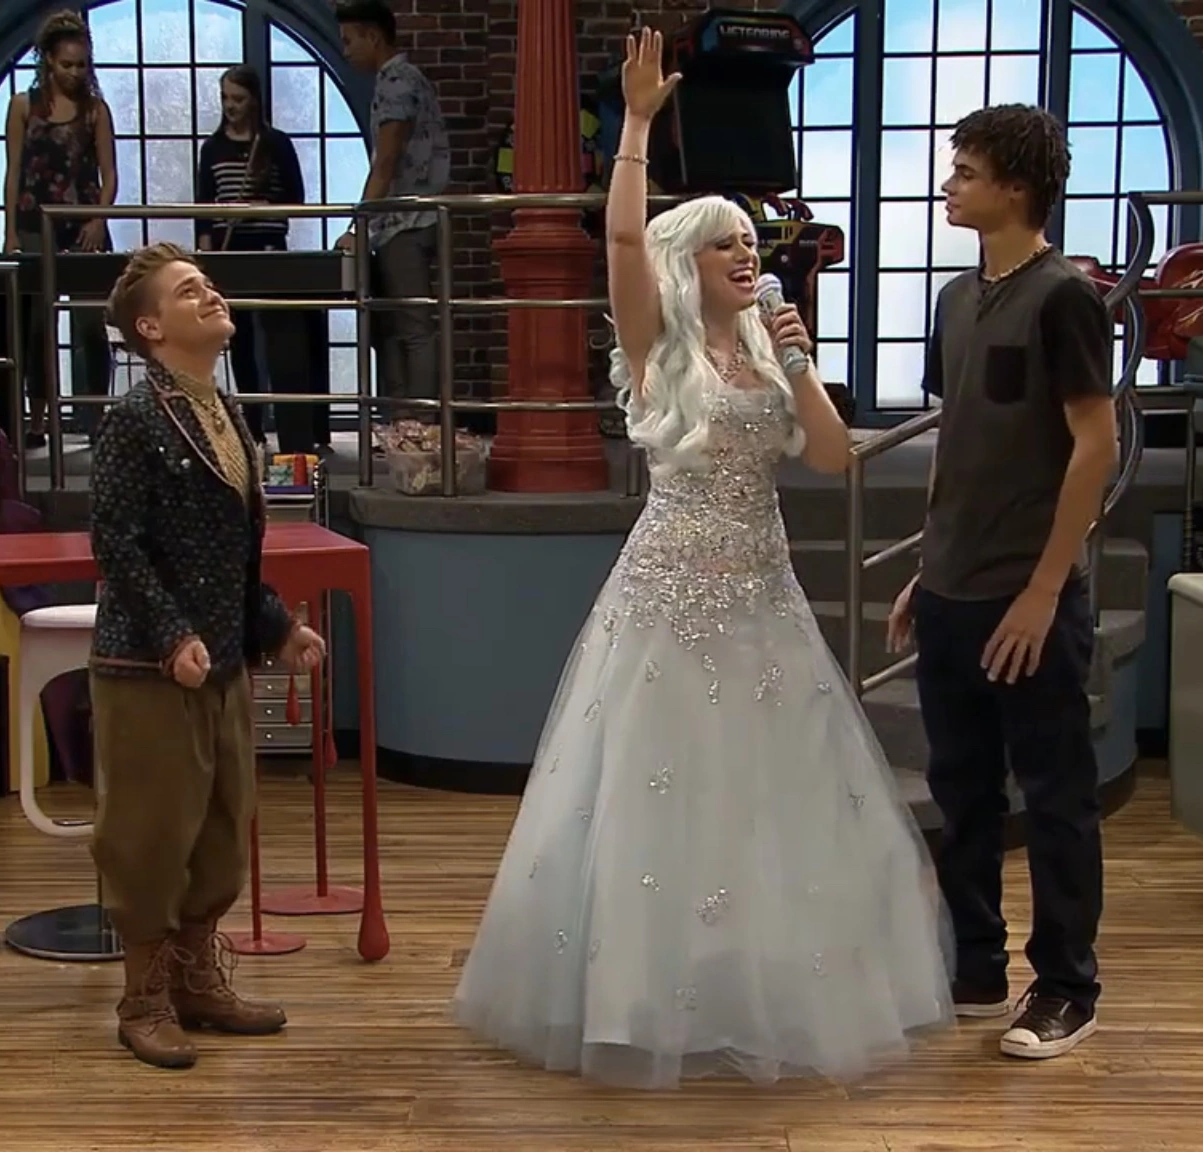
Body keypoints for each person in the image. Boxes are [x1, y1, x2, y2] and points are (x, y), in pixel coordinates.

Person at [450, 30, 954, 1091]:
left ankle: (754, 985)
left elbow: (831, 458)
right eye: (724, 242)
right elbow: (620, 242)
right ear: (688, 264)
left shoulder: (769, 350)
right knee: (657, 790)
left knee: (768, 799)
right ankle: (640, 992)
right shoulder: (658, 348)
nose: (744, 253)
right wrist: (636, 123)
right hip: (669, 592)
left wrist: (801, 358)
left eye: (751, 241)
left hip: (763, 595)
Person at [885, 104, 1119, 1061]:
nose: (949, 186)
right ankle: (975, 964)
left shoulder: (1066, 297)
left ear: (1016, 189)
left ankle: (1067, 987)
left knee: (1055, 797)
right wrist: (926, 564)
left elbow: (1095, 445)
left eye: (966, 172)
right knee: (963, 790)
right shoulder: (955, 299)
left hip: (1030, 596)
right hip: (952, 587)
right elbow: (958, 440)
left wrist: (1043, 590)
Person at [87, 242, 329, 1070]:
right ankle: (143, 999)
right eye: (190, 291)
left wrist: (275, 627)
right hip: (150, 667)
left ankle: (196, 981)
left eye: (210, 285)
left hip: (222, 660)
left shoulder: (226, 411)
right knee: (151, 833)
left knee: (222, 829)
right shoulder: (135, 419)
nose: (211, 295)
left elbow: (233, 555)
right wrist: (171, 636)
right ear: (151, 327)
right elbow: (117, 544)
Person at [195, 65, 331, 455]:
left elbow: (296, 199)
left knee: (279, 340)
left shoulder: (276, 145)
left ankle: (294, 429)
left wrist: (263, 203)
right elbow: (204, 207)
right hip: (230, 253)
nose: (230, 106)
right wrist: (206, 255)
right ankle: (251, 428)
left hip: (269, 248)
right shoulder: (212, 149)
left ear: (254, 100)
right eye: (225, 98)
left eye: (238, 99)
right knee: (238, 340)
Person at [4, 9, 118, 441]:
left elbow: (110, 174)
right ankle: (38, 419)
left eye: (81, 64)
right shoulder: (23, 107)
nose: (74, 72)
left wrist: (98, 220)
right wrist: (11, 232)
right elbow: (14, 173)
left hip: (84, 226)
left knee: (90, 326)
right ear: (49, 60)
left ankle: (95, 417)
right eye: (66, 63)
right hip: (36, 225)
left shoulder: (95, 111)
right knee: (37, 329)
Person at [334, 0, 450, 413]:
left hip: (406, 221)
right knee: (396, 327)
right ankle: (403, 417)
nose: (346, 51)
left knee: (413, 327)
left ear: (373, 36)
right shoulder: (399, 79)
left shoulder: (397, 81)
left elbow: (385, 161)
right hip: (403, 221)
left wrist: (357, 226)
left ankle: (420, 423)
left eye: (350, 41)